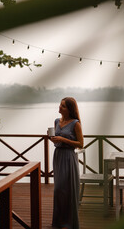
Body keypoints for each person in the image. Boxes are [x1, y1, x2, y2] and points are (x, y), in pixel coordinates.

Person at [50, 97, 84, 229]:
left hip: (68, 157)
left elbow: (80, 144)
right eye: (60, 104)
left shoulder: (75, 123)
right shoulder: (57, 121)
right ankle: (58, 222)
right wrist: (55, 140)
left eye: (63, 106)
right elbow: (57, 139)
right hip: (58, 156)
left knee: (67, 190)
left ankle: (69, 223)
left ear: (69, 109)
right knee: (58, 190)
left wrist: (63, 140)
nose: (59, 107)